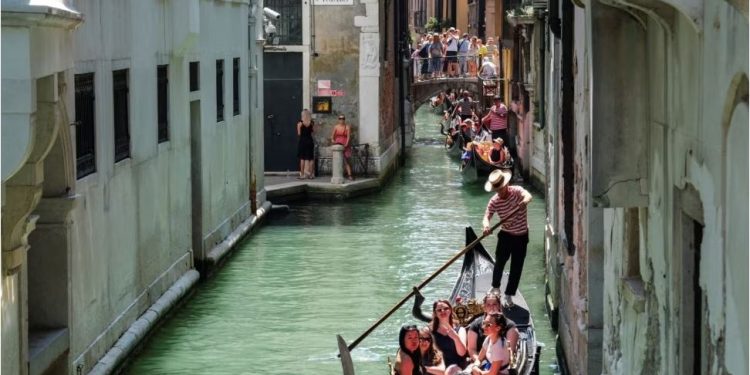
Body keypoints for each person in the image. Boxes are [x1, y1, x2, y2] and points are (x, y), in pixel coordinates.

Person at [482, 170, 532, 308]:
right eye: (497, 190)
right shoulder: (495, 200)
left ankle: (509, 295)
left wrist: (525, 201)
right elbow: (487, 216)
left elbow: (528, 195)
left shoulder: (517, 191)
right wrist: (486, 226)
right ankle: (495, 287)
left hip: (521, 237)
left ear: (507, 184)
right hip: (506, 235)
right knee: (499, 263)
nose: (499, 192)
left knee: (516, 267)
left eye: (501, 189)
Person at [466, 291, 519, 365]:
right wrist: (479, 362)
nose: (492, 307)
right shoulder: (475, 325)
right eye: (488, 305)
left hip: (501, 364)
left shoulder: (510, 326)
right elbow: (472, 349)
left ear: (499, 306)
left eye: (494, 304)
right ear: (484, 307)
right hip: (480, 362)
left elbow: (510, 353)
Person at [430, 300, 468, 374]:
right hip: (438, 365)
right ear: (435, 313)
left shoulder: (460, 330)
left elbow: (462, 353)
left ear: (450, 310)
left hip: (456, 365)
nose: (443, 311)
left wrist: (456, 338)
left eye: (446, 308)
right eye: (439, 310)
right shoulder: (430, 331)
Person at [330, 114, 354, 181]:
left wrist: (346, 144)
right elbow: (332, 136)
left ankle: (349, 175)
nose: (341, 120)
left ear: (344, 119)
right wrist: (333, 141)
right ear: (338, 119)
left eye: (343, 118)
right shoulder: (336, 127)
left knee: (346, 161)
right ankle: (339, 174)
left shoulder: (347, 127)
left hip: (344, 144)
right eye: (340, 118)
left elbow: (348, 137)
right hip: (337, 144)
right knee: (338, 160)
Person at [296, 109, 315, 179]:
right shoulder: (312, 123)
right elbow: (313, 132)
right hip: (310, 141)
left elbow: (299, 134)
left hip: (303, 141)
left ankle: (302, 175)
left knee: (302, 158)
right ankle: (311, 175)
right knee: (311, 158)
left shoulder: (300, 123)